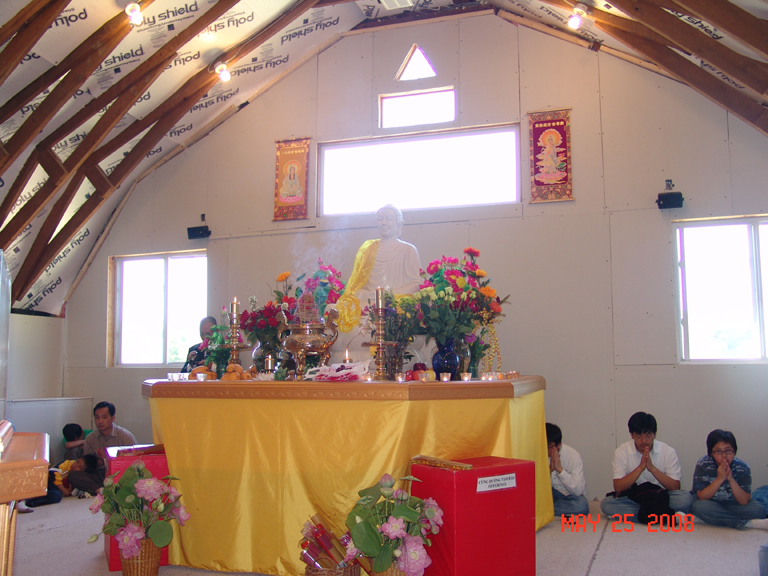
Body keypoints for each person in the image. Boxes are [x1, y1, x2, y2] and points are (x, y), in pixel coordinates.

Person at [335, 205, 422, 359]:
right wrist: (370, 295)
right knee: (336, 308)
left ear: (399, 223)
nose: (384, 223)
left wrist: (388, 295)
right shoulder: (367, 249)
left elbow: (416, 284)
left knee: (402, 309)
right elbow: (357, 286)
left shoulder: (408, 250)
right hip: (370, 302)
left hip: (395, 302)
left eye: (388, 219)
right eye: (380, 219)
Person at [600, 412, 692, 521]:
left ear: (655, 434)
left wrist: (652, 468)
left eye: (648, 436)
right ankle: (664, 513)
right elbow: (618, 487)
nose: (643, 441)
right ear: (632, 435)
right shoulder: (621, 451)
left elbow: (675, 487)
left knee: (685, 499)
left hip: (660, 495)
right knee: (606, 504)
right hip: (636, 497)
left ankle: (645, 513)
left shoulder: (668, 451)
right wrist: (640, 468)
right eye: (639, 436)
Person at [689, 429, 768, 530]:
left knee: (759, 510)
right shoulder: (703, 464)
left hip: (734, 504)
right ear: (711, 453)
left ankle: (707, 519)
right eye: (718, 451)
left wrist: (731, 479)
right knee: (698, 506)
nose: (724, 456)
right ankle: (747, 523)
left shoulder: (742, 467)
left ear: (734, 451)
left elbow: (744, 501)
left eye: (728, 450)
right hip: (711, 503)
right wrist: (719, 479)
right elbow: (702, 497)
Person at [69, 402, 137, 495]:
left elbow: (134, 462)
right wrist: (99, 461)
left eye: (104, 417)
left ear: (113, 418)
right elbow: (87, 467)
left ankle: (99, 489)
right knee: (73, 475)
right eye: (97, 417)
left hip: (119, 474)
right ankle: (101, 490)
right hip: (99, 474)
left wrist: (110, 458)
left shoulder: (125, 436)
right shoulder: (90, 438)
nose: (100, 421)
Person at [546, 423, 588, 517]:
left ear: (558, 445)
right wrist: (549, 470)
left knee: (582, 506)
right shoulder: (537, 453)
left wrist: (560, 470)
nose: (544, 449)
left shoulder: (572, 455)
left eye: (548, 446)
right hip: (548, 494)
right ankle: (545, 509)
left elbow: (578, 490)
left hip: (568, 495)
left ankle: (543, 509)